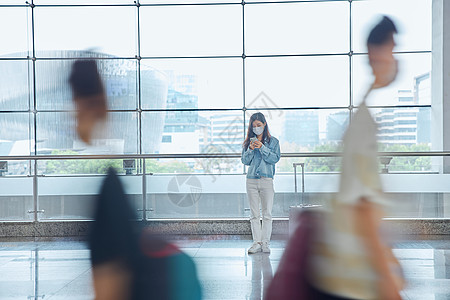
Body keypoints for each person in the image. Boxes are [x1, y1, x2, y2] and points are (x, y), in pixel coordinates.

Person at [305, 16, 404, 300]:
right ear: (375, 52)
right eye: (393, 48)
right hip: (348, 278)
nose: (397, 58)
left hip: (344, 272)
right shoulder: (364, 122)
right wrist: (386, 275)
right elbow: (362, 206)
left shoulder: (364, 112)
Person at [241, 112, 280, 254]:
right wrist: (251, 149)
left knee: (267, 214)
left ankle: (265, 243)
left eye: (259, 125)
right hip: (251, 180)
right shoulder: (247, 142)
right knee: (254, 214)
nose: (256, 128)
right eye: (254, 126)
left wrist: (262, 147)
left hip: (267, 180)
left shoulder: (273, 142)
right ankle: (256, 242)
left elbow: (275, 159)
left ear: (264, 124)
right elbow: (245, 161)